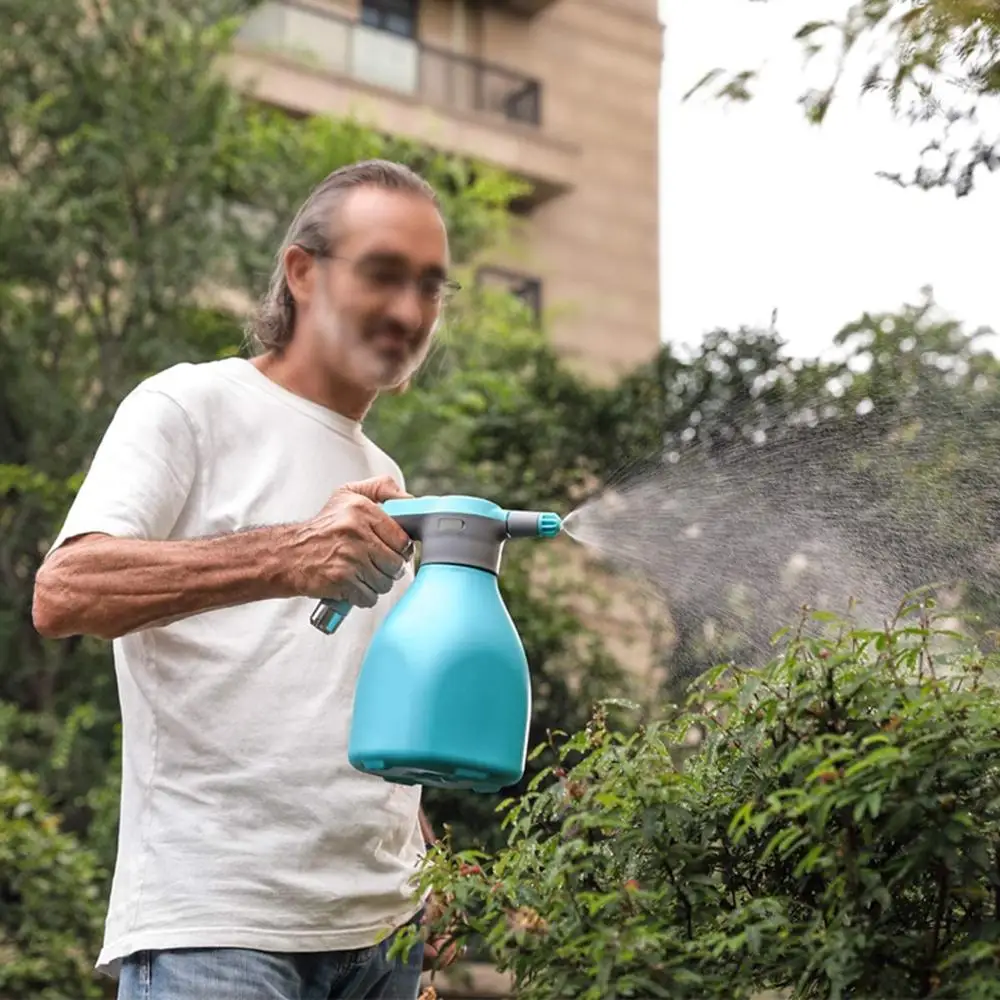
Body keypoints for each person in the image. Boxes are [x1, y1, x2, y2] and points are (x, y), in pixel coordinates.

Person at [32, 159, 460, 1000]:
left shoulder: (385, 472)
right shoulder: (190, 406)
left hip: (383, 940)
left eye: (431, 287)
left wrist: (429, 861)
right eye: (382, 274)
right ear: (302, 273)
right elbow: (66, 589)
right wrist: (289, 554)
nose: (410, 312)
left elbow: (329, 694)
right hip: (220, 930)